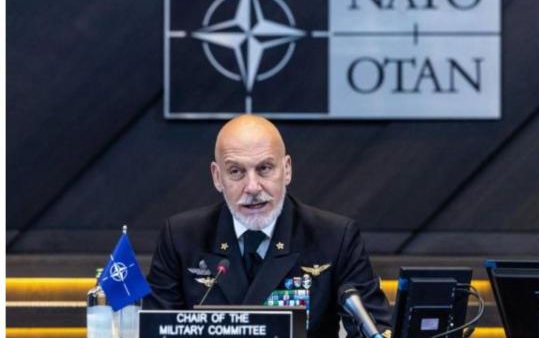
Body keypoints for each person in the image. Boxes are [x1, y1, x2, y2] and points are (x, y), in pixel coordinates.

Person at [145, 115, 392, 337]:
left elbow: (376, 327)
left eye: (264, 168)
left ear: (286, 170)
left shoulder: (334, 237)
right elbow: (157, 331)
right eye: (236, 171)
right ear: (217, 177)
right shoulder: (181, 237)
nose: (252, 187)